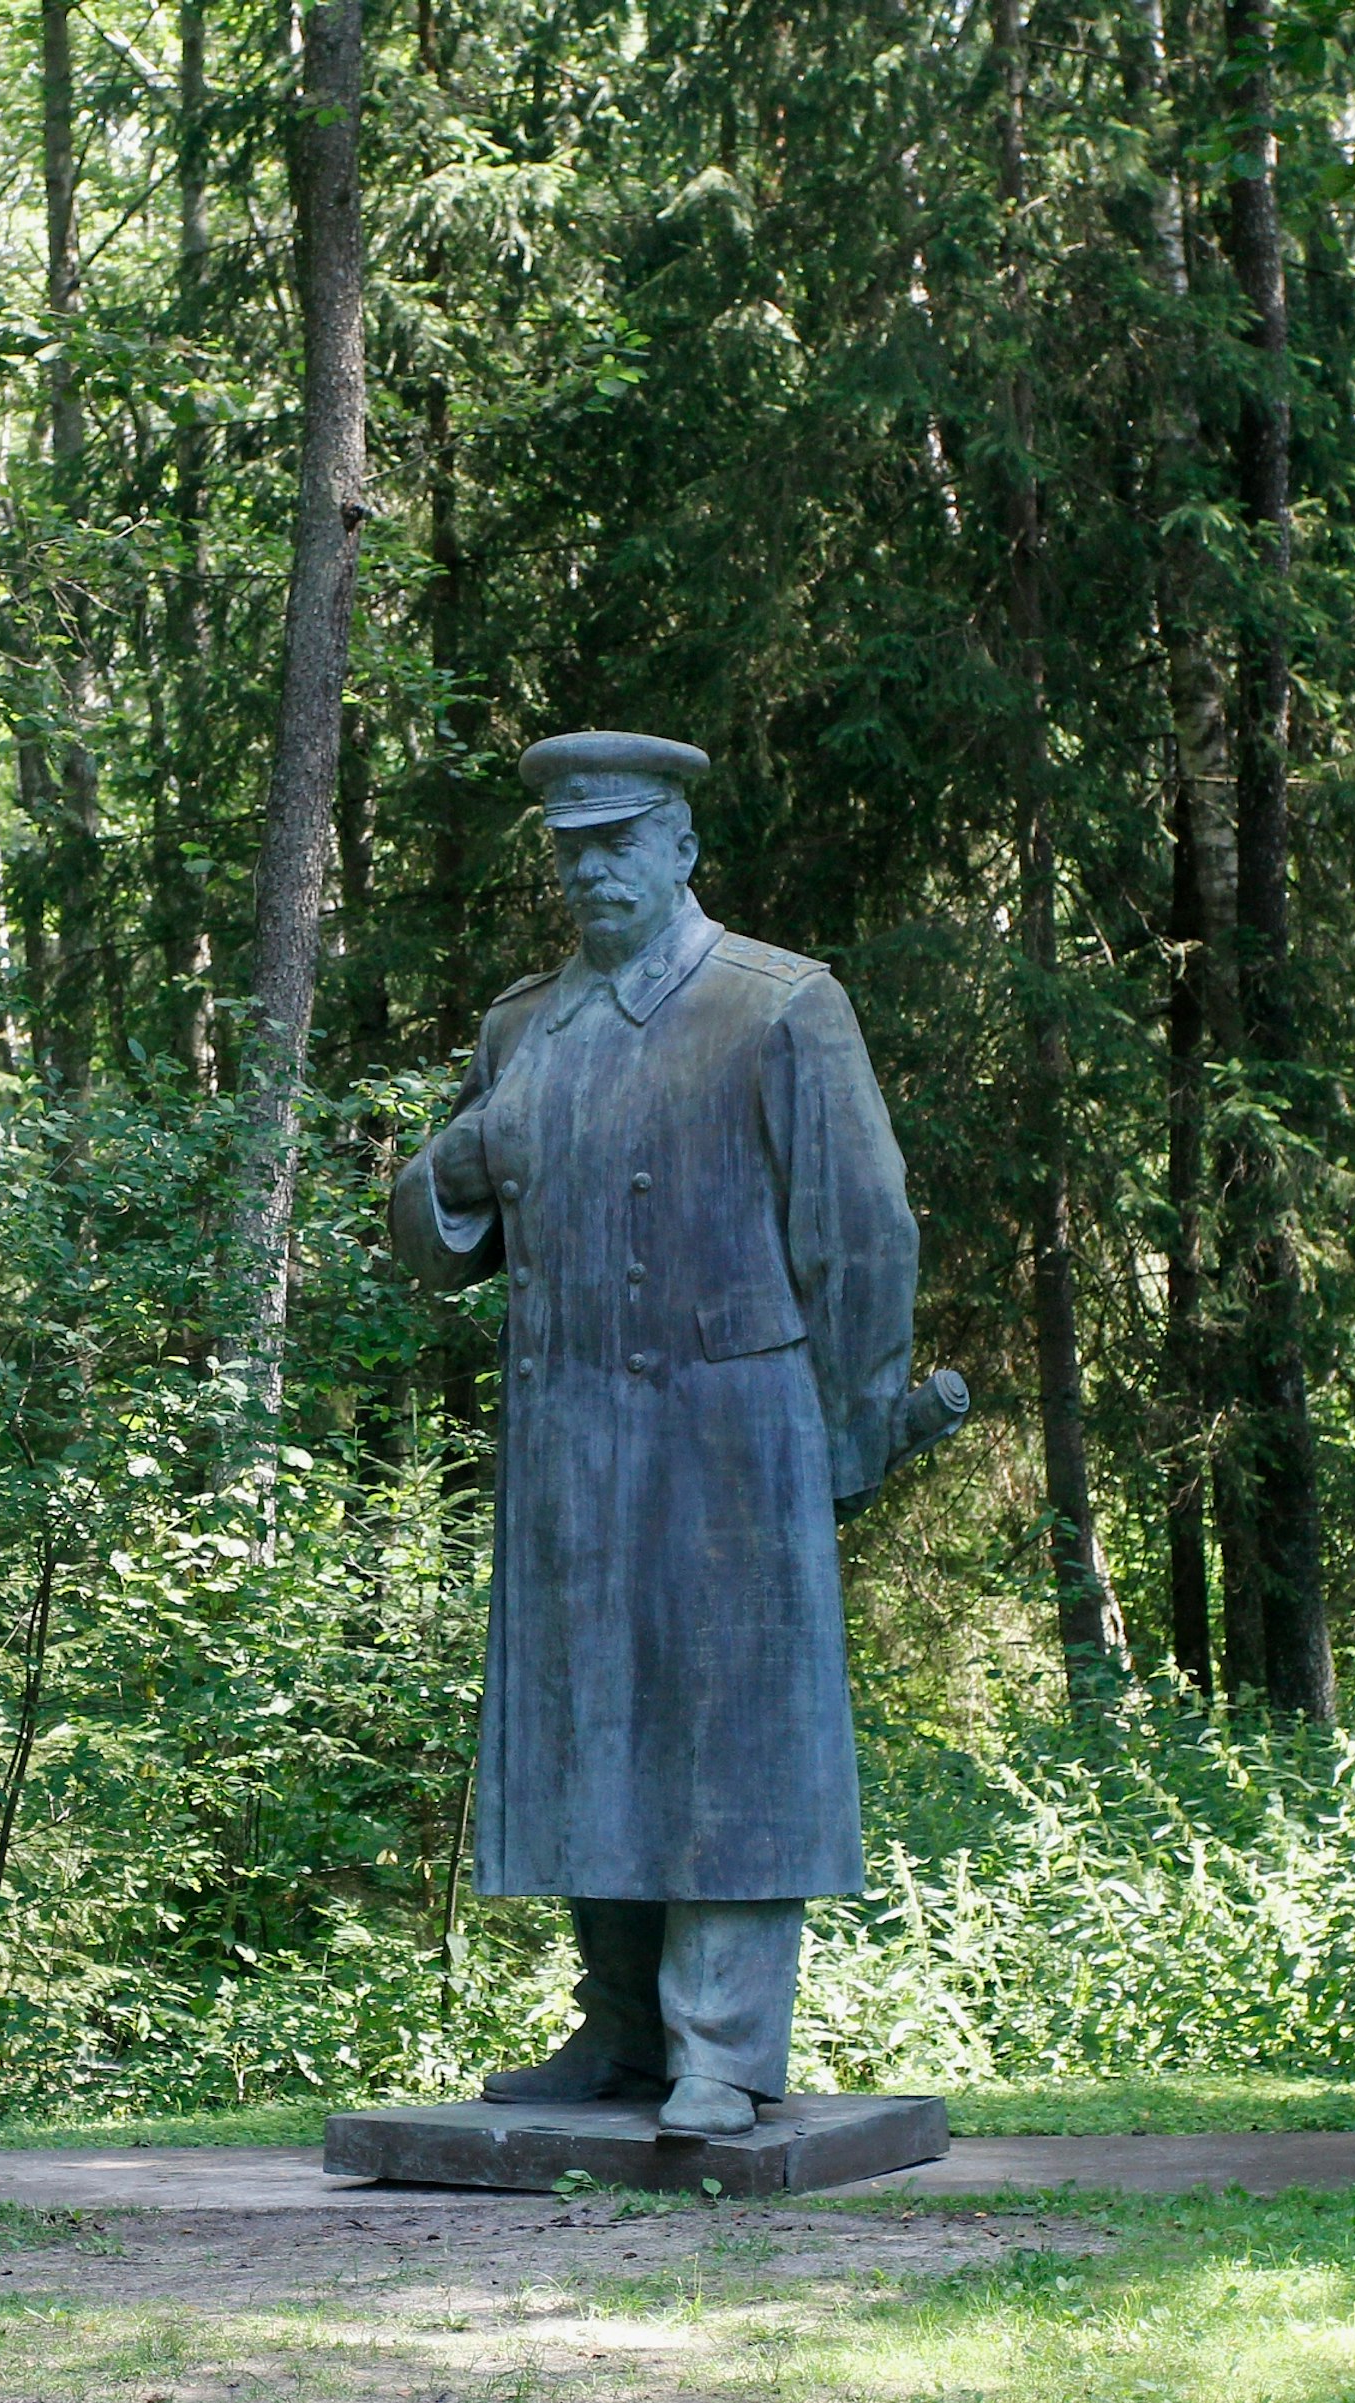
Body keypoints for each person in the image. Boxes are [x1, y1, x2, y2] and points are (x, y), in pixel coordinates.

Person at [388, 730, 925, 2137]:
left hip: (736, 1429)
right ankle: (621, 2032)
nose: (592, 868)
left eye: (620, 839)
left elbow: (862, 1241)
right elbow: (443, 1247)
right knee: (586, 1728)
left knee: (734, 1731)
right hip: (568, 1432)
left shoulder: (777, 1007)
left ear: (683, 844)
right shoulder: (523, 1028)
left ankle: (725, 2053)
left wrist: (849, 1431)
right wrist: (456, 1153)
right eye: (571, 847)